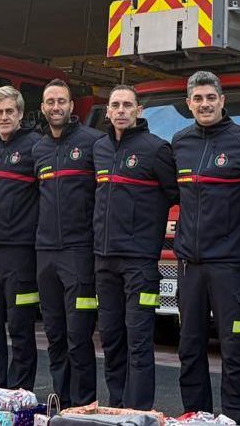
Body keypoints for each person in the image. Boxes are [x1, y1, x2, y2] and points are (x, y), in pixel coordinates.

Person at [171, 71, 240, 424]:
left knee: (234, 352)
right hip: (189, 267)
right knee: (190, 350)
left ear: (222, 100)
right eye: (198, 99)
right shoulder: (179, 143)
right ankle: (196, 418)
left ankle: (235, 420)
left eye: (210, 97)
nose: (204, 104)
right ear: (188, 104)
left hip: (230, 267)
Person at [93, 84, 177, 410]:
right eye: (115, 105)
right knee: (111, 339)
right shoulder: (99, 149)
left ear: (138, 110)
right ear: (108, 111)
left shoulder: (156, 149)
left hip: (139, 263)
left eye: (127, 105)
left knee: (138, 341)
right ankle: (116, 407)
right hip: (104, 261)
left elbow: (175, 195)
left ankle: (138, 411)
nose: (121, 111)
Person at [33, 78, 104, 407]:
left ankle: (84, 404)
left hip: (79, 253)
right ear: (43, 107)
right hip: (45, 254)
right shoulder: (38, 149)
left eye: (61, 101)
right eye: (50, 101)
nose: (56, 107)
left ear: (71, 106)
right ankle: (62, 403)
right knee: (55, 335)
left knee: (79, 336)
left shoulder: (93, 142)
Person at [0, 85, 41, 390]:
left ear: (20, 114)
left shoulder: (36, 146)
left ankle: (19, 391)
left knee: (20, 324)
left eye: (9, 111)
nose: (4, 117)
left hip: (19, 253)